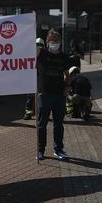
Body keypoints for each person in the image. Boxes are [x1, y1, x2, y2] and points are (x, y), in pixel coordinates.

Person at [37, 29, 70, 161]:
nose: (54, 44)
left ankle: (58, 149)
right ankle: (40, 150)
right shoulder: (41, 54)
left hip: (59, 95)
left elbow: (67, 75)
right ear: (47, 42)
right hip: (44, 94)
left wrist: (67, 86)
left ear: (60, 42)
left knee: (58, 124)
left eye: (56, 41)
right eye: (52, 41)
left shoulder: (63, 57)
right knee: (42, 124)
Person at [24, 38, 44, 119]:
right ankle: (40, 114)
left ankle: (32, 114)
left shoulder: (32, 53)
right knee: (38, 98)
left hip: (35, 79)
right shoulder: (43, 54)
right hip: (37, 79)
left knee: (32, 98)